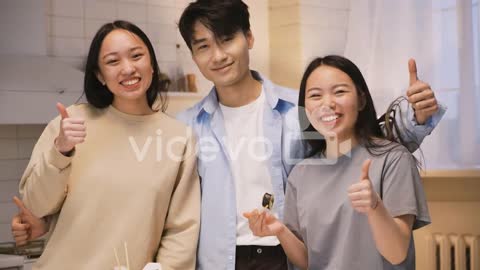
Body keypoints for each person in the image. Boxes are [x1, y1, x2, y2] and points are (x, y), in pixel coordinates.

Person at [12, 1, 445, 270]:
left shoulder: (298, 113)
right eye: (202, 45)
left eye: (226, 39)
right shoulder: (186, 130)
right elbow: (142, 201)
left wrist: (414, 117)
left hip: (285, 257)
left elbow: (354, 152)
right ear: (192, 55)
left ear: (248, 37)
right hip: (218, 260)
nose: (217, 55)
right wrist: (45, 219)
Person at [11, 20, 200, 270]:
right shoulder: (70, 123)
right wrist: (61, 150)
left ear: (152, 64)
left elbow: (182, 228)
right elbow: (36, 205)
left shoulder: (179, 138)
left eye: (136, 56)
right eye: (113, 61)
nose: (128, 68)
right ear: (99, 75)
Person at [244, 55, 431, 269]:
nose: (328, 104)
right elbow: (307, 261)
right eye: (315, 95)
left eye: (339, 92)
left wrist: (375, 207)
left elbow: (397, 253)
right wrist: (279, 229)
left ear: (361, 100)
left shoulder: (393, 159)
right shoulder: (301, 174)